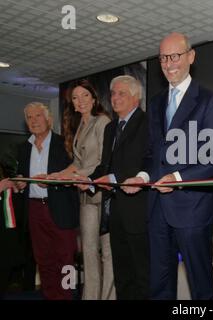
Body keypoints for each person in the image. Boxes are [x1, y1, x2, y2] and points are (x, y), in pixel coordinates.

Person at [122, 32, 213, 300]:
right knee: (159, 283)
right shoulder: (156, 103)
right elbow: (152, 153)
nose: (169, 63)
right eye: (163, 58)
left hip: (192, 209)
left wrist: (177, 177)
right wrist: (142, 176)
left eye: (175, 56)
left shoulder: (209, 101)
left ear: (191, 57)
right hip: (157, 208)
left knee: (200, 284)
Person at [77, 75, 150, 300]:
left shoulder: (147, 123)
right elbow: (104, 166)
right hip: (114, 212)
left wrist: (113, 177)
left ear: (136, 98)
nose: (115, 98)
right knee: (122, 276)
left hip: (139, 212)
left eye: (121, 93)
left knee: (143, 277)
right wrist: (89, 183)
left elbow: (148, 161)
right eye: (113, 93)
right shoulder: (111, 129)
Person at [48, 79, 115, 300]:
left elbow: (104, 162)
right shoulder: (80, 128)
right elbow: (77, 163)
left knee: (108, 254)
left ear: (94, 99)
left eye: (85, 95)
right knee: (88, 253)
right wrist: (56, 176)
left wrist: (79, 176)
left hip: (103, 194)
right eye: (76, 98)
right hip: (85, 196)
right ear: (73, 105)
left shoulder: (102, 121)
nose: (81, 100)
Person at [15, 102, 79, 300]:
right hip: (35, 210)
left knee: (66, 259)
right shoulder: (24, 148)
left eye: (38, 116)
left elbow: (77, 172)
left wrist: (53, 180)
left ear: (48, 119)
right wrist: (20, 183)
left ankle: (67, 296)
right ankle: (50, 296)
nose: (34, 121)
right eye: (30, 118)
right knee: (43, 259)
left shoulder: (65, 144)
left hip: (61, 208)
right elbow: (21, 176)